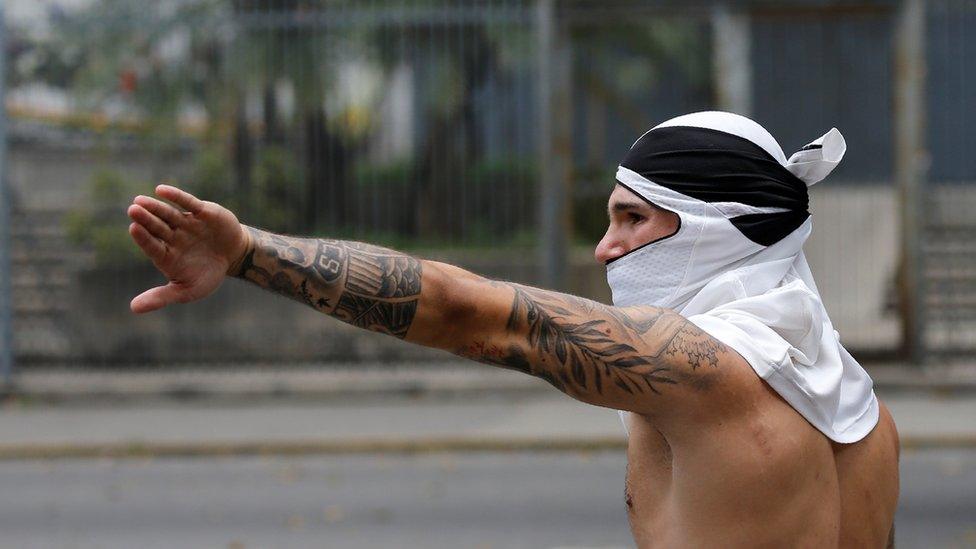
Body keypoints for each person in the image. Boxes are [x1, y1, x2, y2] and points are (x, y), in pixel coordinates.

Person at [126, 111, 899, 548]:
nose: (605, 248)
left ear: (711, 229)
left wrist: (248, 253)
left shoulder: (699, 372)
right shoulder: (859, 408)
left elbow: (469, 312)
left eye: (631, 219)